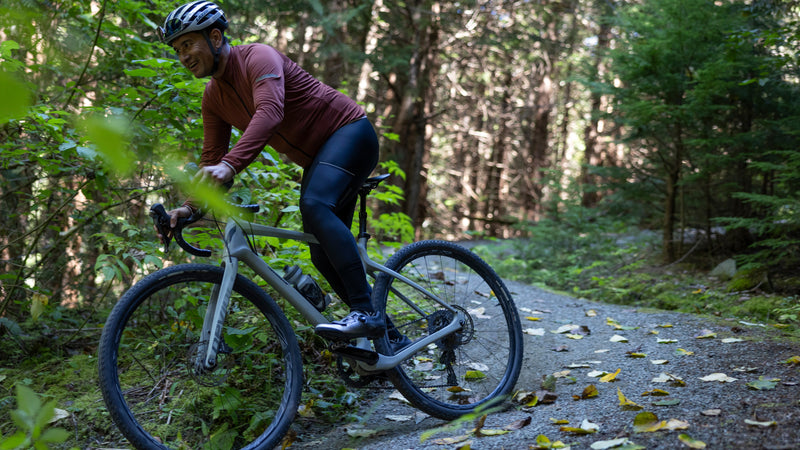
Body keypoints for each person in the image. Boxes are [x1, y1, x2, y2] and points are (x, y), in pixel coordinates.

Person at [156, 0, 397, 343]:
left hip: (350, 133)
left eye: (187, 44)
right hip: (319, 159)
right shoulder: (213, 97)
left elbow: (269, 113)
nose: (183, 56)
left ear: (215, 37)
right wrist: (189, 208)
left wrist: (230, 165)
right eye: (177, 50)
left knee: (314, 205)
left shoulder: (258, 57)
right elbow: (212, 156)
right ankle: (391, 339)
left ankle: (366, 314)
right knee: (321, 252)